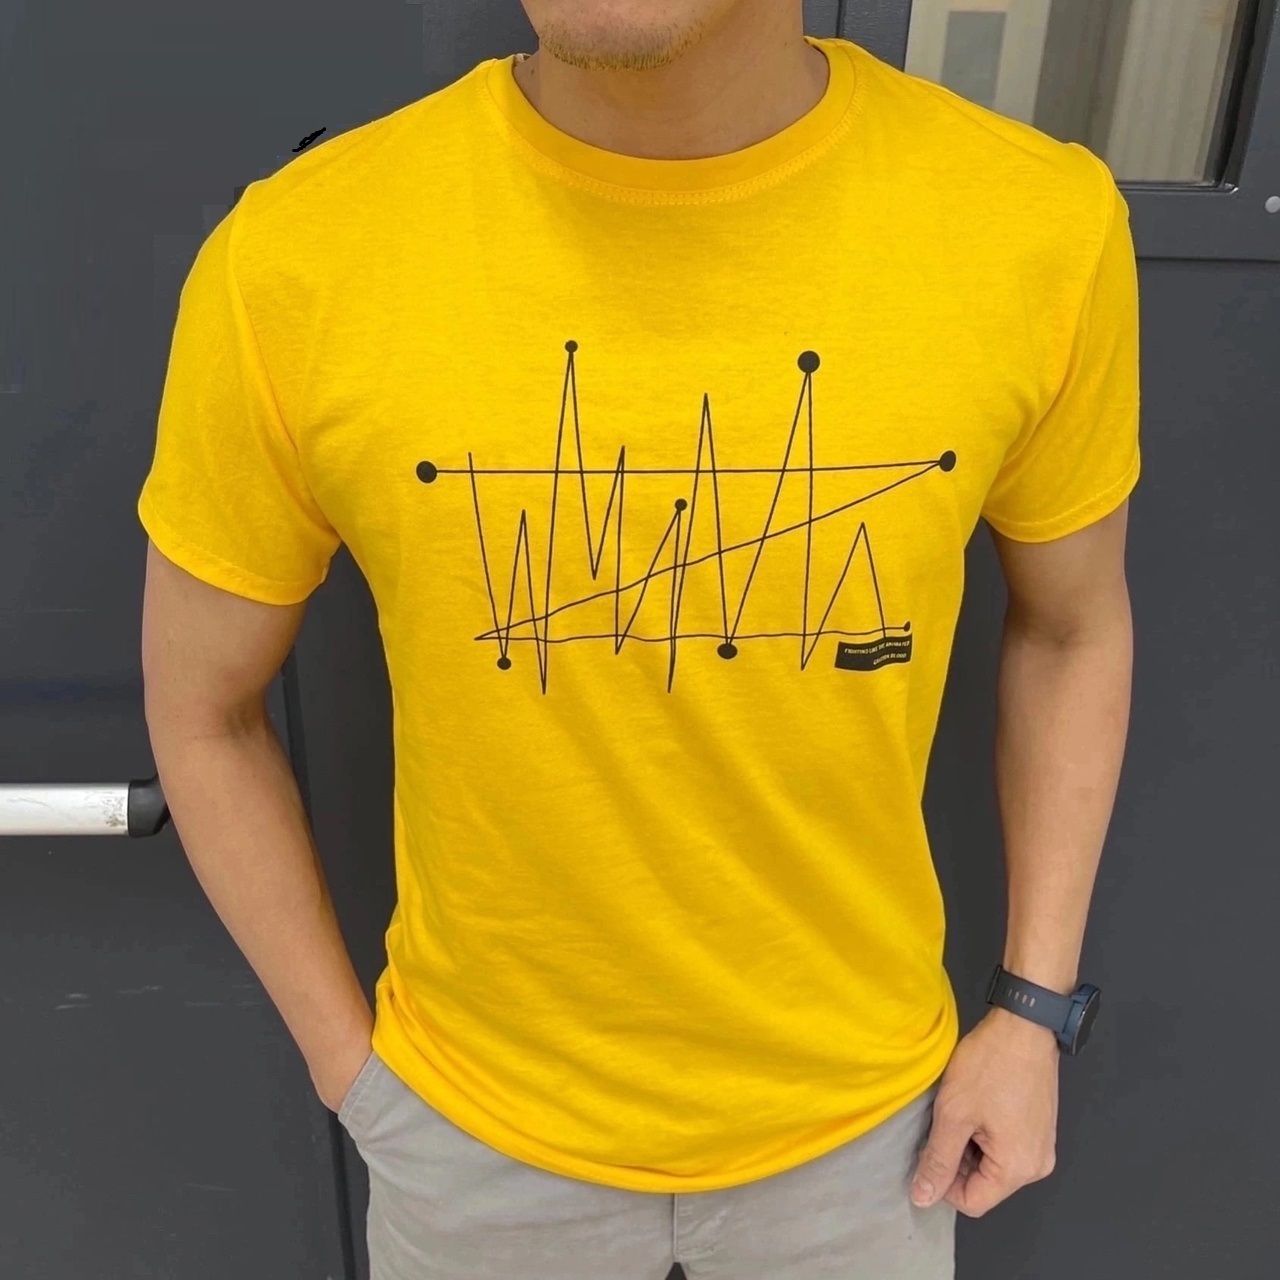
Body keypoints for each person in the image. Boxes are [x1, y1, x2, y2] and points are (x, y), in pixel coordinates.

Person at [136, 1, 1139, 1276]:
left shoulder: (1032, 223)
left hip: (873, 1144)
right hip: (466, 1146)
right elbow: (202, 708)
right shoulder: (299, 253)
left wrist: (1033, 1008)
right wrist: (361, 1082)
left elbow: (1071, 628)